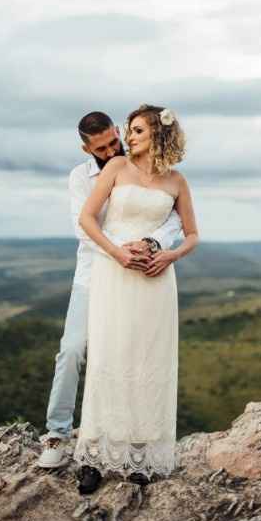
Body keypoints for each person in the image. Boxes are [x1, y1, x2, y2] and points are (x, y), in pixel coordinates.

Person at [38, 111, 183, 470]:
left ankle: (125, 442)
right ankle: (57, 434)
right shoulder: (80, 177)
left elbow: (173, 216)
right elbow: (81, 226)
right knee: (72, 350)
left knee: (127, 357)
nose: (108, 151)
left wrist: (151, 242)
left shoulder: (142, 167)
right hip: (93, 274)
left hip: (135, 277)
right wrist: (121, 249)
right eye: (99, 147)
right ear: (85, 147)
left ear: (117, 132)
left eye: (112, 142)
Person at [73, 104, 199, 494]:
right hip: (115, 274)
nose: (130, 138)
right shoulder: (114, 169)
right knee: (109, 358)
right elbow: (87, 219)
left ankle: (141, 457)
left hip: (157, 280)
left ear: (159, 135)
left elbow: (192, 234)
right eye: (130, 130)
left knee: (149, 362)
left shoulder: (177, 181)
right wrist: (117, 253)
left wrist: (169, 255)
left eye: (139, 131)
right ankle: (95, 456)